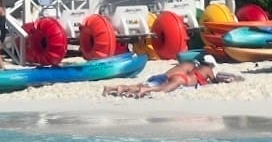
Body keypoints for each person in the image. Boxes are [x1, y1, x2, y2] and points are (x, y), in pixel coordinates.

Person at [103, 55, 243, 97]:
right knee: (160, 89)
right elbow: (213, 81)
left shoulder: (190, 67)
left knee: (143, 85)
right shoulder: (207, 69)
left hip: (162, 76)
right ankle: (143, 91)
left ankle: (116, 88)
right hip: (179, 80)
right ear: (211, 64)